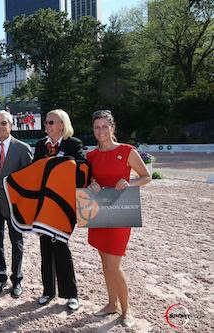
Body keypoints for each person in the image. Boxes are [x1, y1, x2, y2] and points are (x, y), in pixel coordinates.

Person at [87, 110, 151, 328]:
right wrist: (91, 184)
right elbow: (89, 182)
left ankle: (127, 310)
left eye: (105, 126)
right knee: (105, 264)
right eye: (97, 127)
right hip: (99, 214)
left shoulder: (127, 151)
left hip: (121, 213)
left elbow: (146, 177)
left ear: (113, 128)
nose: (101, 131)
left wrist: (130, 183)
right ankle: (111, 304)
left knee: (114, 266)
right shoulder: (91, 156)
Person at [33, 109, 85, 311]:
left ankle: (71, 294)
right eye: (46, 122)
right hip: (43, 205)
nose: (47, 125)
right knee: (45, 248)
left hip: (64, 205)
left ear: (62, 124)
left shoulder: (74, 144)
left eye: (51, 122)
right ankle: (48, 291)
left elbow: (81, 168)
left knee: (61, 247)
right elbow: (33, 172)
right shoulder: (40, 145)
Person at [0, 110, 33, 298]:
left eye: (3, 123)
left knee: (17, 243)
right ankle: (0, 277)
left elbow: (29, 180)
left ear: (11, 125)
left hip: (15, 205)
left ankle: (17, 280)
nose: (0, 127)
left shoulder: (22, 148)